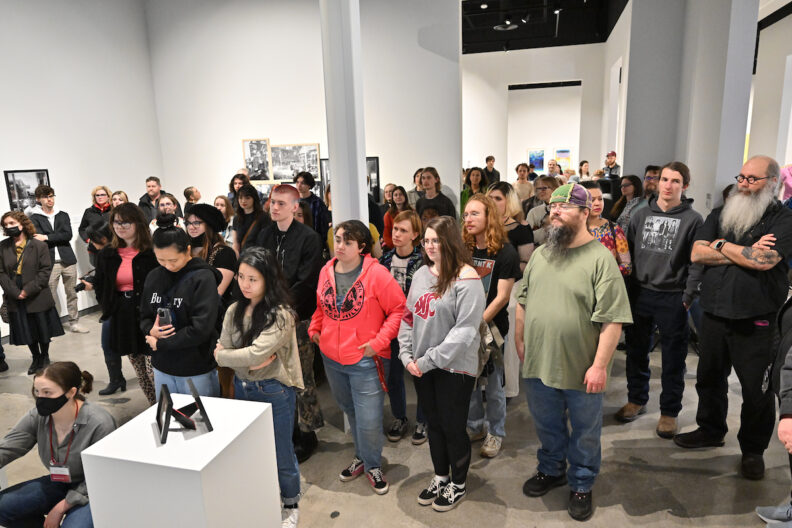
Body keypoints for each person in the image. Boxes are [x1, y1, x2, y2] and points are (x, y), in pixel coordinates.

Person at [515, 183, 632, 521]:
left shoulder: (600, 259)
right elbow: (523, 300)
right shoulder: (541, 254)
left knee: (585, 431)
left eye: (564, 206)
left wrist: (600, 366)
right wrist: (521, 340)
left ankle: (581, 483)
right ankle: (551, 469)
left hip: (582, 366)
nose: (555, 211)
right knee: (546, 424)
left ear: (585, 213)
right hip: (539, 362)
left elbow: (613, 320)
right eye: (553, 205)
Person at [675, 155, 792, 481]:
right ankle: (711, 429)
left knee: (756, 390)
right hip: (714, 313)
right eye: (741, 177)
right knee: (709, 378)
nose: (743, 184)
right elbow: (697, 252)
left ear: (772, 183)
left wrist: (722, 245)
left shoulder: (784, 219)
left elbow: (764, 260)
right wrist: (744, 250)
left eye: (752, 179)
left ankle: (753, 450)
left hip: (757, 318)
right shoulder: (721, 212)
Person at [309, 220, 405, 495]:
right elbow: (321, 307)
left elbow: (399, 309)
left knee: (369, 418)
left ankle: (373, 464)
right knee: (350, 410)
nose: (339, 246)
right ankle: (362, 457)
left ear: (362, 247)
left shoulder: (377, 275)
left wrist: (379, 342)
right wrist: (315, 328)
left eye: (347, 242)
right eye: (337, 239)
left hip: (366, 360)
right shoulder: (326, 270)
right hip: (332, 358)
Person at [399, 216, 486, 511]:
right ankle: (441, 476)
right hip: (422, 367)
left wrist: (427, 361)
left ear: (450, 241)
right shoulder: (422, 274)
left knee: (452, 426)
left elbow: (465, 332)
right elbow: (409, 316)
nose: (430, 246)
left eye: (436, 240)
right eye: (426, 240)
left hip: (454, 368)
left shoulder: (467, 278)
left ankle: (458, 484)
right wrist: (406, 354)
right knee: (434, 425)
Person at [214, 248, 304, 527]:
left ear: (268, 279)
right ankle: (262, 498)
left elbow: (247, 354)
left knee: (281, 451)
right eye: (241, 277)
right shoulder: (234, 309)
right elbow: (232, 350)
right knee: (252, 449)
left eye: (252, 279)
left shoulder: (281, 315)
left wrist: (229, 356)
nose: (245, 284)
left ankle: (291, 503)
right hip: (242, 387)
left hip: (273, 390)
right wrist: (242, 358)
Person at [617, 163, 703, 438]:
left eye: (675, 181)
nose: (668, 185)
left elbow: (697, 262)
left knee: (673, 358)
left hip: (673, 296)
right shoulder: (641, 215)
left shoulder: (693, 220)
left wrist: (688, 296)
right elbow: (627, 254)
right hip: (640, 292)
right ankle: (636, 399)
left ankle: (669, 412)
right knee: (636, 352)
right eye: (664, 179)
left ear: (684, 186)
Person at [253, 185, 325, 462]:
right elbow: (257, 270)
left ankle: (307, 433)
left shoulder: (309, 238)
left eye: (281, 203)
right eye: (273, 202)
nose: (274, 207)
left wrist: (280, 307)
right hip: (268, 316)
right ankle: (287, 430)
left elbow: (306, 281)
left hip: (297, 318)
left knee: (300, 377)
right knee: (275, 375)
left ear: (295, 207)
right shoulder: (265, 234)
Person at [0, 362, 116, 528]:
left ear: (71, 392)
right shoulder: (38, 416)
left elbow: (103, 476)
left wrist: (60, 508)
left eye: (47, 392)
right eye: (37, 391)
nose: (40, 398)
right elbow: (9, 447)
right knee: (3, 507)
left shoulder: (100, 423)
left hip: (92, 488)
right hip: (60, 482)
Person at [463, 194, 521, 459]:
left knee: (495, 385)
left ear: (489, 217)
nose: (468, 219)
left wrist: (476, 324)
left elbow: (502, 297)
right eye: (466, 214)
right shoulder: (464, 250)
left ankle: (495, 432)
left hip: (492, 330)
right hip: (465, 328)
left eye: (475, 213)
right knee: (470, 382)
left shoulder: (506, 252)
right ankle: (475, 426)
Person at [140, 214, 222, 397]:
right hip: (162, 365)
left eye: (173, 260)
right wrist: (150, 330)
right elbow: (144, 316)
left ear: (188, 250)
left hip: (195, 366)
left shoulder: (203, 278)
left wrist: (162, 344)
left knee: (201, 414)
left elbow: (201, 329)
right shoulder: (154, 276)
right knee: (169, 412)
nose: (167, 266)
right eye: (161, 260)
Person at [93, 203, 159, 404]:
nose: (120, 227)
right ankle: (154, 406)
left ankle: (166, 406)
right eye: (116, 222)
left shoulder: (152, 252)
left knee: (154, 370)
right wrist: (109, 307)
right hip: (122, 315)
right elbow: (100, 285)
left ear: (138, 223)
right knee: (139, 369)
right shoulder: (107, 254)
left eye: (125, 222)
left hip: (149, 315)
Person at [379, 210, 426, 444]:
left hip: (416, 327)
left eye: (403, 230)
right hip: (391, 327)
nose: (397, 234)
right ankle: (399, 417)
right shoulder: (385, 260)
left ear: (415, 235)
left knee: (420, 374)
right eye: (395, 229)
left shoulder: (423, 261)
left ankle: (423, 420)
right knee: (394, 376)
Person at [0, 210, 66, 375]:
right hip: (14, 293)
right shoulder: (2, 247)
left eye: (12, 223)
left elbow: (45, 271)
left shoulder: (39, 245)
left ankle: (45, 356)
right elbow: (1, 273)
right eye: (6, 225)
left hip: (37, 292)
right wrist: (15, 292)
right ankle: (35, 357)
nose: (9, 227)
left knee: (41, 327)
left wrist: (27, 290)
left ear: (22, 224)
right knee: (26, 327)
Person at [29, 185, 87, 334]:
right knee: (50, 296)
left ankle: (74, 323)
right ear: (38, 199)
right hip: (49, 262)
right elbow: (36, 238)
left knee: (72, 293)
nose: (50, 199)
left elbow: (67, 235)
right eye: (46, 197)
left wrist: (46, 237)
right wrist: (53, 237)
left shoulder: (63, 215)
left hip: (68, 260)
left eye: (51, 196)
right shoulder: (34, 218)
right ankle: (53, 326)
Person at [578, 181, 631, 277]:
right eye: (592, 200)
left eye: (600, 199)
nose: (597, 203)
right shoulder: (572, 230)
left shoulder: (614, 229)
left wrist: (606, 275)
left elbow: (627, 266)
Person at [78, 185, 112, 265]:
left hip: (112, 248)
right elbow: (82, 229)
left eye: (102, 195)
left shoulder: (114, 210)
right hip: (95, 250)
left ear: (108, 196)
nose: (100, 197)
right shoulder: (89, 211)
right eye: (97, 195)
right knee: (98, 269)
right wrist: (88, 239)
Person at [233, 184, 270, 254]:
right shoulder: (237, 218)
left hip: (258, 256)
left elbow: (266, 242)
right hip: (242, 257)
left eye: (247, 198)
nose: (243, 201)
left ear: (254, 198)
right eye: (240, 198)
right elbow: (236, 243)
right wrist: (236, 255)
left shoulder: (263, 217)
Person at [295, 171, 331, 243]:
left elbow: (323, 226)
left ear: (309, 185)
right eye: (297, 182)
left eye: (302, 183)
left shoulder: (318, 202)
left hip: (313, 240)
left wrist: (320, 242)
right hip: (297, 239)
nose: (299, 185)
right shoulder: (292, 201)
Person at [525, 176, 561, 245]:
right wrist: (544, 230)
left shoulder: (565, 210)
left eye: (544, 188)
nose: (540, 191)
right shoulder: (534, 212)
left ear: (555, 189)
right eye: (538, 189)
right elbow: (527, 237)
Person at [382, 186, 412, 251]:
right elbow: (386, 235)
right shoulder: (388, 215)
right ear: (393, 198)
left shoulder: (412, 212)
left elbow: (416, 230)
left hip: (410, 246)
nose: (398, 197)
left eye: (400, 194)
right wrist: (396, 247)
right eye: (395, 195)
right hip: (394, 247)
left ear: (405, 196)